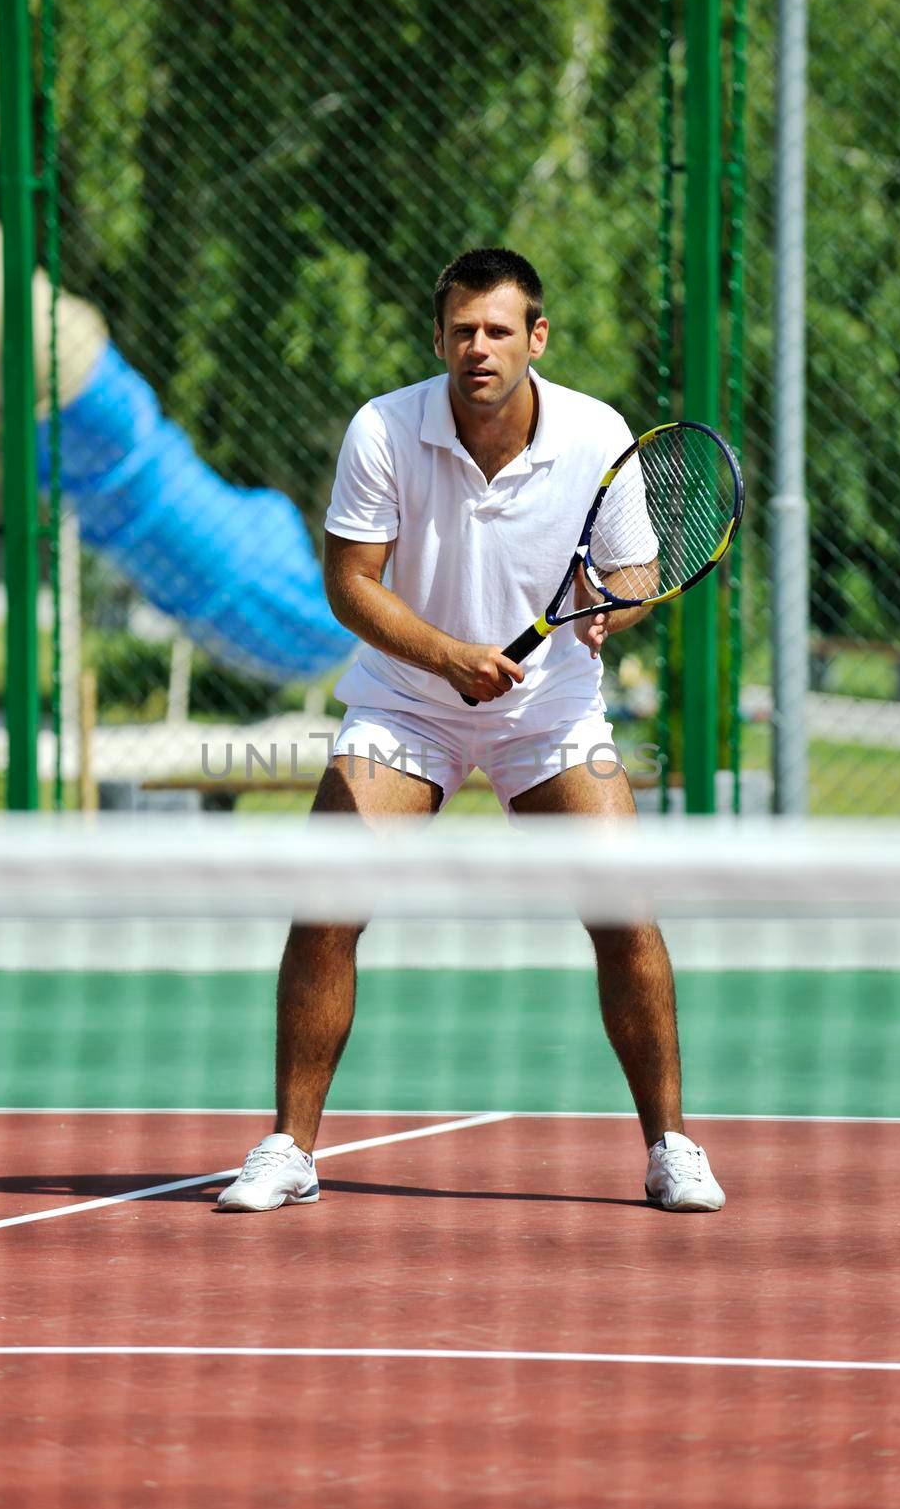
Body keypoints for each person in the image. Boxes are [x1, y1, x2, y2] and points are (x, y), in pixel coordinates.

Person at [218, 248, 725, 1215]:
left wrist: (619, 605)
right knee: (327, 901)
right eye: (461, 331)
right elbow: (350, 586)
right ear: (439, 339)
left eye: (498, 330)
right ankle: (289, 1147)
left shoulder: (597, 436)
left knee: (624, 912)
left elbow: (635, 576)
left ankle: (670, 1146)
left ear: (535, 337)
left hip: (552, 712)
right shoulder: (383, 429)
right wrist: (450, 658)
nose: (477, 348)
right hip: (407, 704)